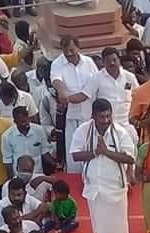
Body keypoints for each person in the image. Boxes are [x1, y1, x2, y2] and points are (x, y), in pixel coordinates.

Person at [71, 98, 135, 233]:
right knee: (99, 227)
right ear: (93, 116)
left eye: (108, 116)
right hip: (94, 187)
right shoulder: (83, 130)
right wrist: (94, 152)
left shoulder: (120, 132)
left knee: (118, 226)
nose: (106, 120)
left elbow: (130, 158)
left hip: (115, 187)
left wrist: (106, 152)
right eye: (102, 117)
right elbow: (75, 155)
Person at [51, 36, 98, 173]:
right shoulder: (57, 63)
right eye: (66, 51)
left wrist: (70, 98)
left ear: (78, 47)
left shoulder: (89, 62)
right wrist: (61, 93)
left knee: (91, 149)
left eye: (71, 50)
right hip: (71, 116)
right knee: (73, 151)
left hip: (90, 114)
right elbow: (56, 80)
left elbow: (94, 84)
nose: (69, 53)